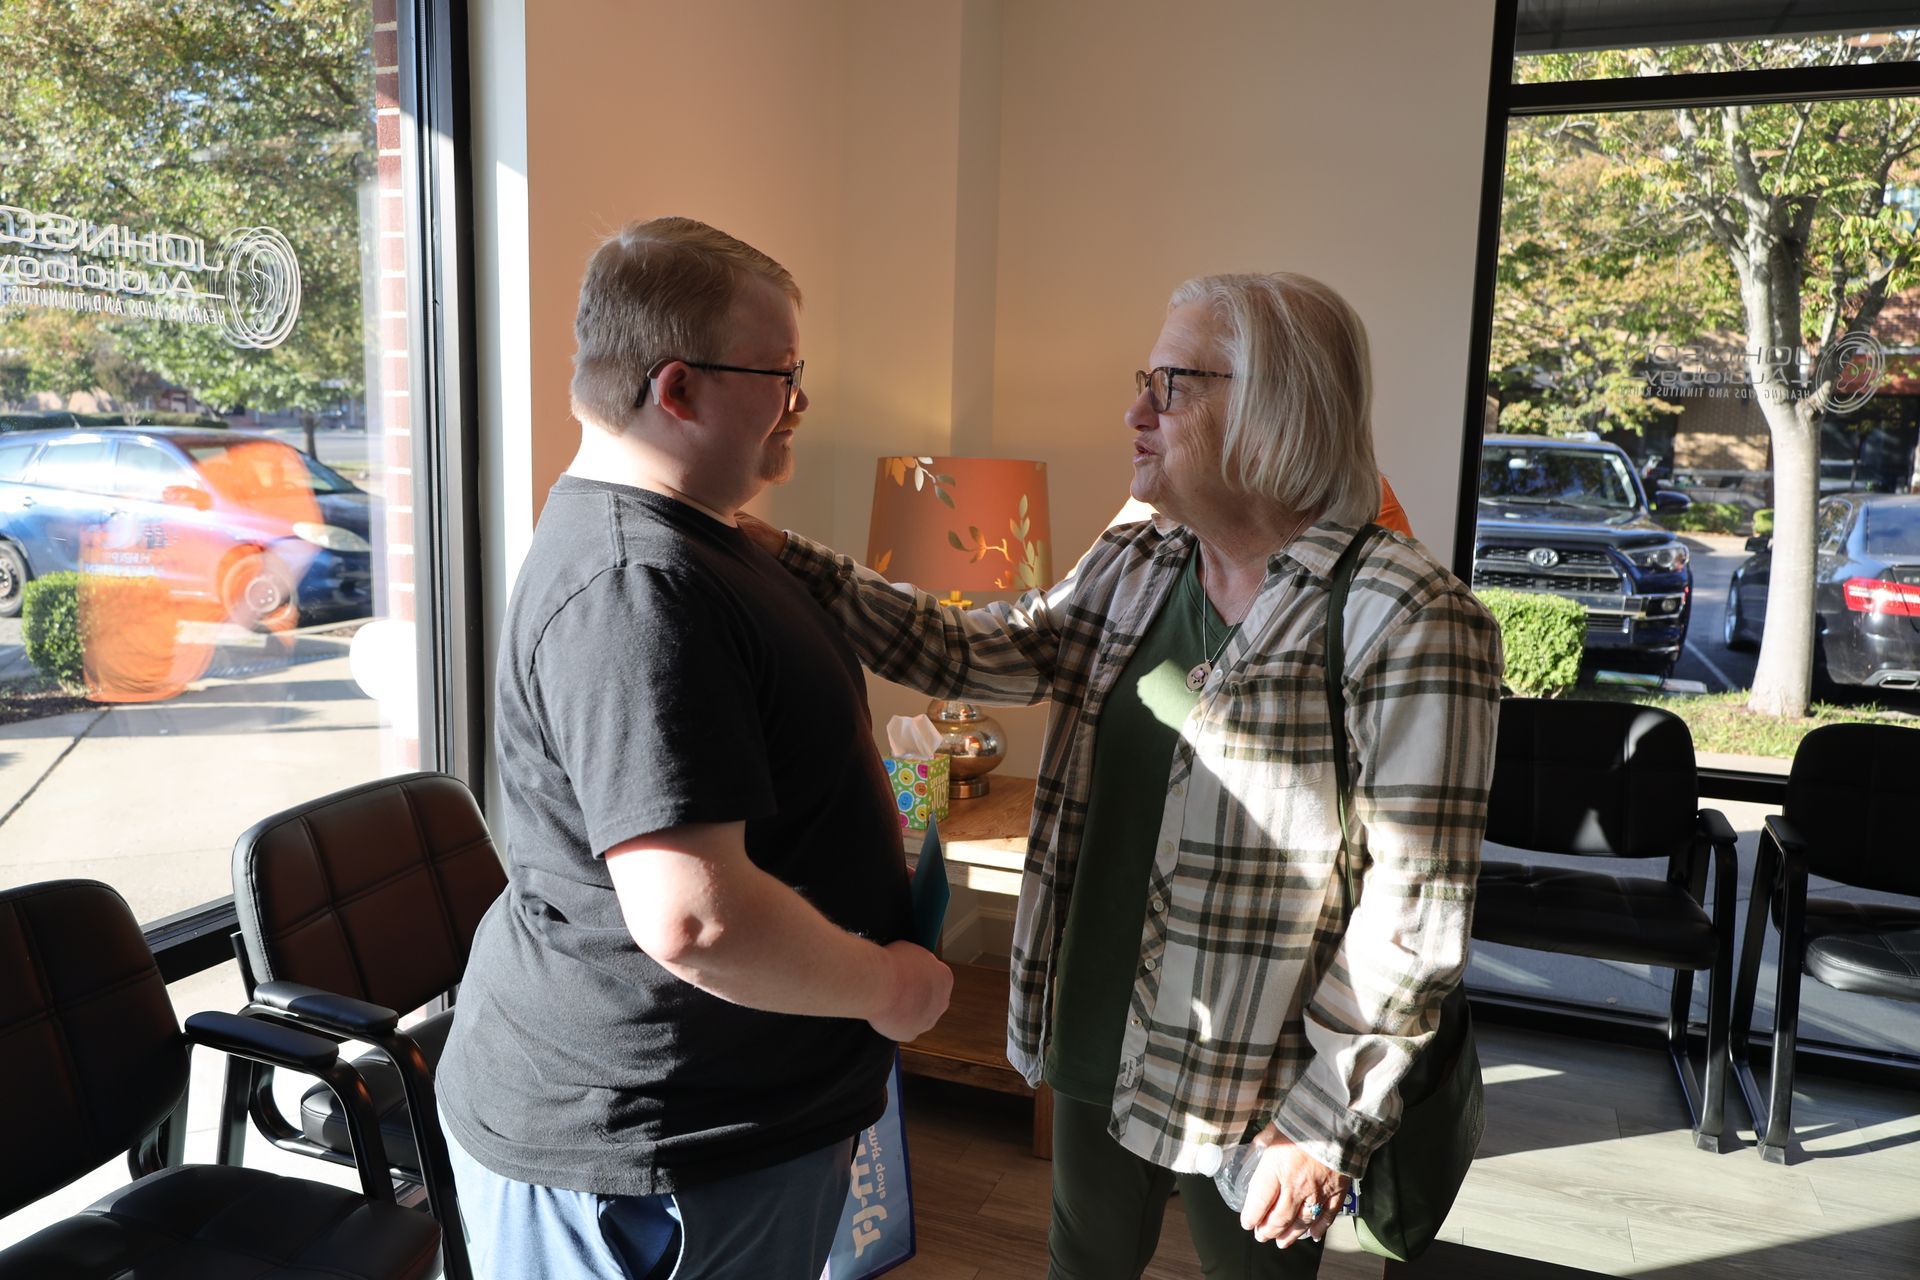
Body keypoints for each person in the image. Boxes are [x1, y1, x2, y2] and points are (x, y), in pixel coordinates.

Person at [741, 272, 1502, 1278]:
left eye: (1173, 385)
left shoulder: (1407, 615)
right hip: (1096, 1027)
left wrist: (1322, 1124)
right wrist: (776, 554)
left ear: (1276, 403)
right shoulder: (1140, 559)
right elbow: (979, 649)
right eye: (1145, 379)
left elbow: (1414, 919)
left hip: (1258, 1079)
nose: (1136, 412)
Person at [435, 217, 953, 1280]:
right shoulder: (635, 586)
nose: (800, 402)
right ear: (677, 389)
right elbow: (692, 914)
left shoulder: (703, 540)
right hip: (656, 1153)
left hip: (729, 1120)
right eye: (782, 374)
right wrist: (887, 987)